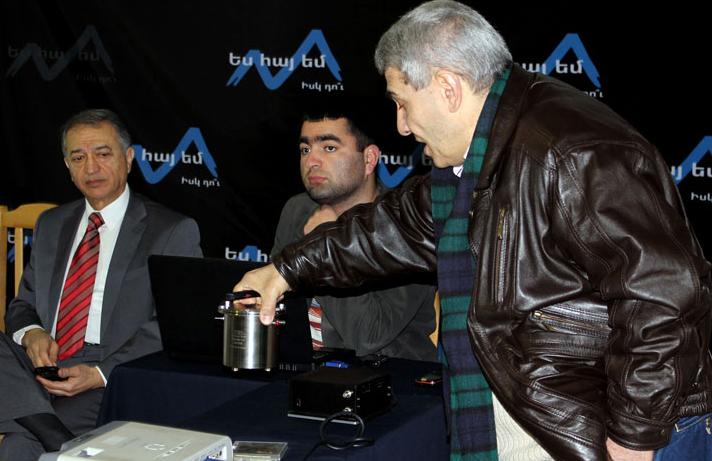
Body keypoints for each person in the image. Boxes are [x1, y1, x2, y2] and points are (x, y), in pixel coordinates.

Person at [233, 1, 712, 460]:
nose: (402, 126)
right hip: (548, 415)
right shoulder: (479, 158)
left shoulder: (570, 148)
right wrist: (285, 270)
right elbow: (394, 227)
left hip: (614, 428)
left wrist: (634, 431)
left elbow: (661, 294)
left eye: (402, 102)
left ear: (447, 87)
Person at [0, 109, 203, 460]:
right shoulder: (52, 223)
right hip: (43, 364)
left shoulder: (171, 231)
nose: (91, 168)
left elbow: (174, 325)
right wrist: (33, 334)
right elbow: (22, 305)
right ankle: (59, 439)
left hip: (111, 369)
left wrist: (99, 373)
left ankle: (47, 430)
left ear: (129, 158)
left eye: (103, 154)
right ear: (68, 166)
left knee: (18, 446)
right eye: (78, 157)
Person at [272, 105, 436, 361]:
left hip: (387, 372)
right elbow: (278, 310)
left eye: (329, 148)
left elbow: (367, 335)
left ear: (369, 159)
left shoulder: (403, 224)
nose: (311, 161)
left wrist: (325, 242)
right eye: (305, 149)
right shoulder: (297, 210)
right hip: (304, 370)